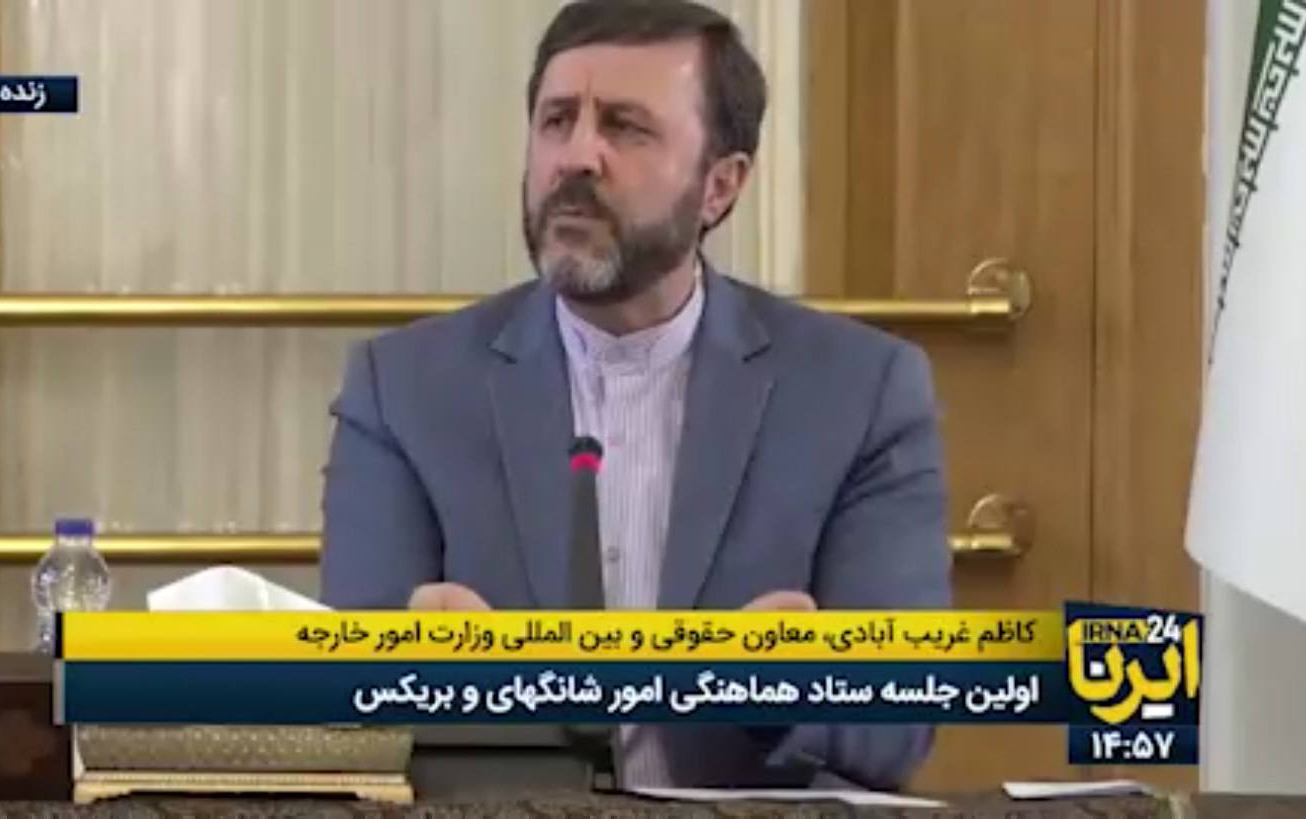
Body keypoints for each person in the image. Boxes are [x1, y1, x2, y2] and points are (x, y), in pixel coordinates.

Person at [321, 0, 951, 791]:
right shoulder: (403, 387)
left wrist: (782, 685)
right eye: (557, 121)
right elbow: (343, 702)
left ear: (720, 185)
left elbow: (900, 719)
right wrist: (418, 669)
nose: (577, 157)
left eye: (625, 127)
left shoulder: (860, 390)